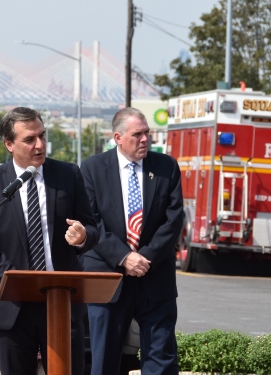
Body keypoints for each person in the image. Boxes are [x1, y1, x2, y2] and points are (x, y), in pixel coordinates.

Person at [0, 107, 99, 375]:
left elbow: (91, 229)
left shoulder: (68, 175)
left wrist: (82, 236)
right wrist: (19, 280)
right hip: (12, 306)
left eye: (42, 135)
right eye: (29, 139)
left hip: (62, 301)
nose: (40, 145)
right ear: (9, 144)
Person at [80, 107, 183, 375]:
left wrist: (143, 258)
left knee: (161, 360)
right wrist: (124, 257)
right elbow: (90, 222)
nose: (145, 139)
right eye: (138, 134)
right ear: (118, 137)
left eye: (147, 132)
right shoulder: (92, 169)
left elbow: (173, 221)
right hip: (107, 277)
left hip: (154, 276)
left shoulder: (166, 167)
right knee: (104, 361)